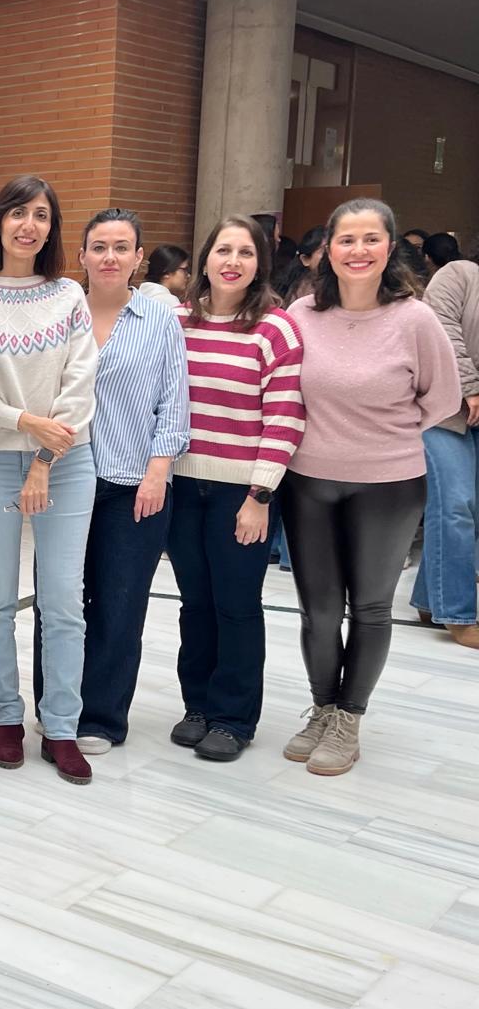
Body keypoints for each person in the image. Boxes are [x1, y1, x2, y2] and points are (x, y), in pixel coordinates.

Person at [282, 199, 460, 774]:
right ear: (327, 251)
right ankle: (321, 707)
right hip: (308, 480)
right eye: (346, 240)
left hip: (388, 484)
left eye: (370, 239)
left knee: (372, 608)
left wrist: (385, 435)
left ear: (389, 249)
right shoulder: (302, 314)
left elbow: (444, 398)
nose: (358, 251)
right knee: (317, 609)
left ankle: (349, 718)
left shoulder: (415, 318)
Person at [33, 209, 188, 754]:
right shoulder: (57, 310)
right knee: (60, 599)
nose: (110, 258)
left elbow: (174, 403)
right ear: (80, 255)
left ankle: (99, 717)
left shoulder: (160, 319)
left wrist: (158, 472)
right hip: (63, 473)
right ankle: (55, 708)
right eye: (99, 247)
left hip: (131, 483)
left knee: (120, 604)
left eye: (122, 248)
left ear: (139, 257)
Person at [0, 175, 98, 785]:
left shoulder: (69, 294)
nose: (29, 225)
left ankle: (64, 727)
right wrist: (21, 421)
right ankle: (5, 717)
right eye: (18, 213)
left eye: (42, 215)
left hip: (68, 461)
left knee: (63, 602)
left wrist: (45, 458)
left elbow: (82, 382)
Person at [166, 215, 303, 761]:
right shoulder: (177, 322)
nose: (232, 262)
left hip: (240, 494)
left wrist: (260, 496)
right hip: (180, 486)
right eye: (223, 250)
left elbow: (285, 417)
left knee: (237, 605)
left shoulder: (275, 329)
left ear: (259, 265)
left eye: (245, 253)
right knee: (195, 602)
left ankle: (232, 718)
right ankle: (197, 706)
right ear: (205, 259)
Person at [413, 252, 479, 649]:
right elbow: (441, 329)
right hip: (442, 412)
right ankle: (458, 614)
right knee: (454, 504)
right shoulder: (460, 274)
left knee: (467, 508)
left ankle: (427, 599)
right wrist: (470, 386)